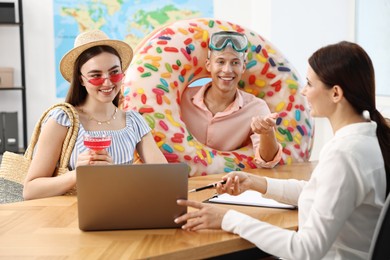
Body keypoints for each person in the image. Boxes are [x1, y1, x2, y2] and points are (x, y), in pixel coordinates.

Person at [175, 41, 390, 259]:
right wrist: (256, 183)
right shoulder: (366, 140)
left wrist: (228, 219)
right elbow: (318, 192)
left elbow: (305, 250)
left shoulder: (344, 155)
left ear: (335, 93)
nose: (304, 91)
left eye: (309, 84)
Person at [23, 30, 167, 200]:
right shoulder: (62, 120)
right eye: (96, 76)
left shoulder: (134, 122)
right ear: (81, 79)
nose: (107, 82)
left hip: (125, 210)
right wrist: (78, 174)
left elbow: (164, 179)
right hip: (70, 219)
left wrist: (116, 175)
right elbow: (30, 191)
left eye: (115, 73)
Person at [180, 31, 282, 168]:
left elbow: (268, 162)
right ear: (208, 65)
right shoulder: (182, 99)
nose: (227, 70)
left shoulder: (256, 108)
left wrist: (267, 133)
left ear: (243, 67)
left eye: (235, 63)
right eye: (220, 62)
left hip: (230, 184)